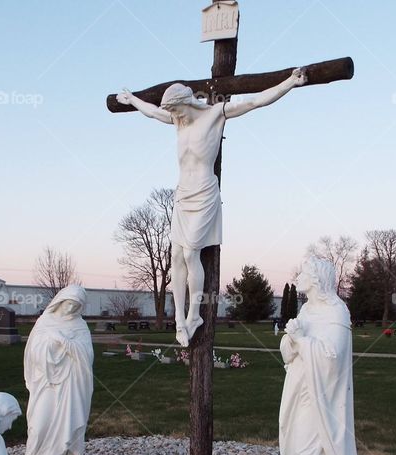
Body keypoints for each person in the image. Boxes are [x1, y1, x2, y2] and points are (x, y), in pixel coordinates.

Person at [117, 69, 307, 346]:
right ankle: (179, 320)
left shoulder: (215, 114)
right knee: (177, 255)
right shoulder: (177, 121)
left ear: (187, 102)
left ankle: (195, 314)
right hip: (182, 194)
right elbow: (152, 113)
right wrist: (132, 99)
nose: (175, 116)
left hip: (205, 192)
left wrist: (290, 82)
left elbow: (255, 101)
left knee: (192, 251)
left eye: (178, 110)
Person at [273, 257, 375, 455]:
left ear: (317, 279)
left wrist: (302, 340)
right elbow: (289, 351)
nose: (300, 274)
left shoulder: (337, 311)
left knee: (308, 452)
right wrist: (291, 339)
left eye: (305, 271)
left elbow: (333, 357)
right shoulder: (306, 309)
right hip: (299, 388)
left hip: (322, 396)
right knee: (295, 446)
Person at [19, 285, 94, 455]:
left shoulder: (80, 326)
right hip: (47, 382)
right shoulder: (45, 321)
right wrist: (50, 346)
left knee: (66, 425)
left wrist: (65, 343)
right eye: (69, 303)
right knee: (38, 425)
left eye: (76, 306)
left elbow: (87, 356)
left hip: (70, 384)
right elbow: (33, 352)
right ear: (61, 301)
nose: (71, 309)